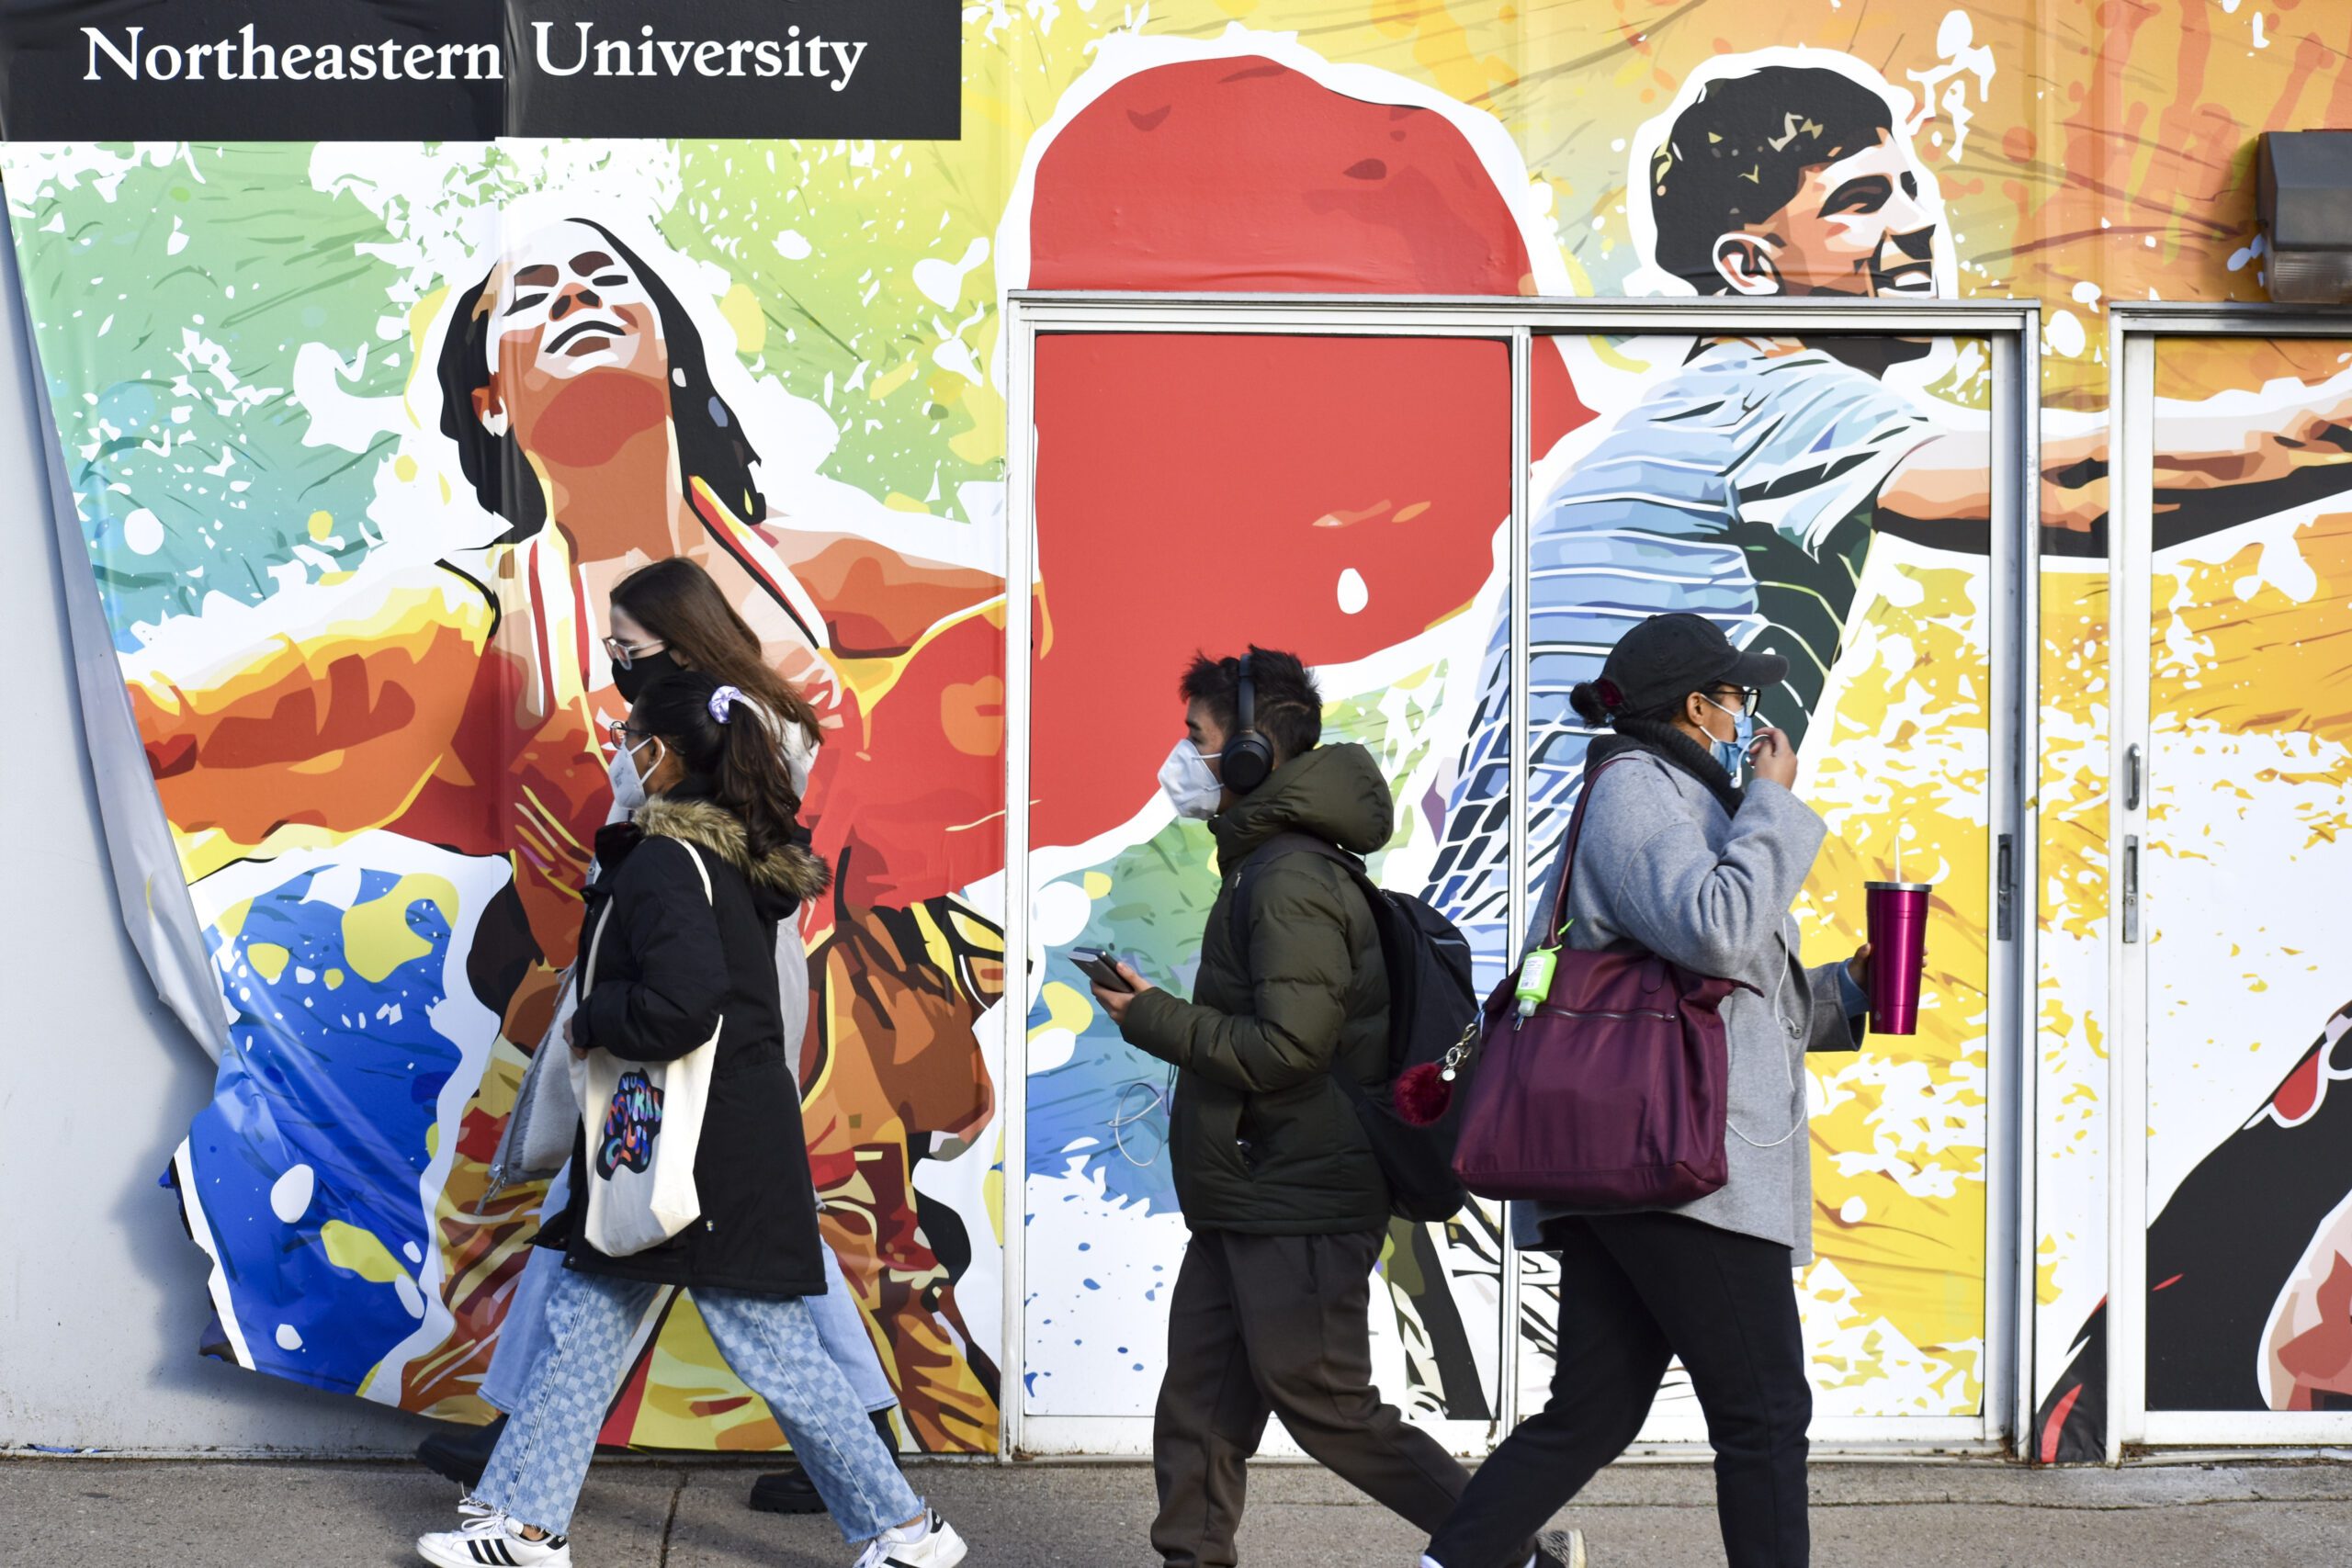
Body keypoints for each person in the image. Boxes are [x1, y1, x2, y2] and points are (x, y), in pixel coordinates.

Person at [143, 215, 1008, 1436]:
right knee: (574, 1257)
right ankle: (538, 1464)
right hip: (625, 1036)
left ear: (670, 349)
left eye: (606, 277)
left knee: (847, 1284)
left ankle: (850, 1477)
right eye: (533, 292)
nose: (575, 294)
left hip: (799, 1049)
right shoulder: (464, 625)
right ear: (494, 396)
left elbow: (1035, 661)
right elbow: (186, 735)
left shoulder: (811, 578)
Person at [415, 668, 966, 1568]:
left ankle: (904, 1530)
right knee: (581, 1335)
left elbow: (684, 1006)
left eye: (631, 737)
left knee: (779, 1360)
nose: (620, 754)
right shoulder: (730, 856)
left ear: (663, 756)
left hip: (702, 1164)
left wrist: (593, 1018)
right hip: (694, 1150)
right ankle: (522, 1526)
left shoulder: (668, 861)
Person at [1087, 649, 1565, 1568]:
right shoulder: (1269, 866)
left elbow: (1289, 1049)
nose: (1181, 757)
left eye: (1196, 737)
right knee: (1202, 1404)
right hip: (1255, 1185)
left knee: (1333, 1409)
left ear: (1249, 755)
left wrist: (1150, 1016)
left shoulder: (1290, 880)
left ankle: (1513, 1555)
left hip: (1296, 1187)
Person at [1421, 613, 1869, 1568]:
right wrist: (1772, 804)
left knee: (1593, 1409)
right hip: (1676, 1165)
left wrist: (1847, 992)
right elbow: (1713, 930)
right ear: (1696, 706)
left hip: (1657, 1153)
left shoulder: (1688, 797)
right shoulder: (1640, 790)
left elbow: (1721, 991)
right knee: (1764, 1412)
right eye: (1737, 697)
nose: (1749, 715)